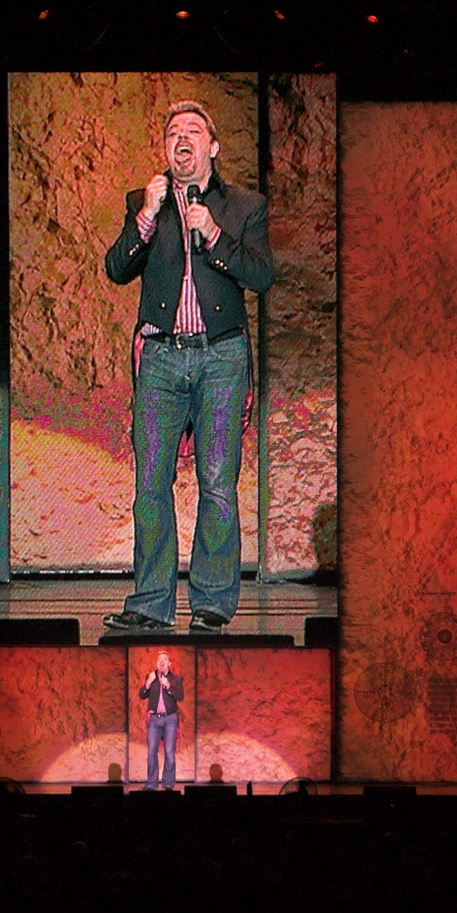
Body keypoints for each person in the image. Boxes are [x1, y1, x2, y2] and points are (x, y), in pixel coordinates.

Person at [101, 100, 276, 634]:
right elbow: (116, 268)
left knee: (217, 483)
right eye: (174, 132)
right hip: (160, 357)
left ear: (211, 147)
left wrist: (215, 235)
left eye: (194, 131)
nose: (183, 138)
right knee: (150, 485)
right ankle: (151, 603)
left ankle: (212, 603)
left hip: (222, 355)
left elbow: (262, 275)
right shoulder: (145, 203)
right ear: (166, 148)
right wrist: (146, 217)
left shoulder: (243, 205)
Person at [138, 650, 185, 790]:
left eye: (164, 659)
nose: (161, 661)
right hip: (154, 720)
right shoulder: (151, 677)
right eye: (159, 660)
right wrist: (148, 682)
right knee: (151, 753)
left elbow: (180, 696)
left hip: (170, 719)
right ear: (157, 663)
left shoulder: (176, 679)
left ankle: (168, 784)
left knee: (169, 753)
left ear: (169, 663)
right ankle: (152, 784)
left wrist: (168, 685)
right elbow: (142, 695)